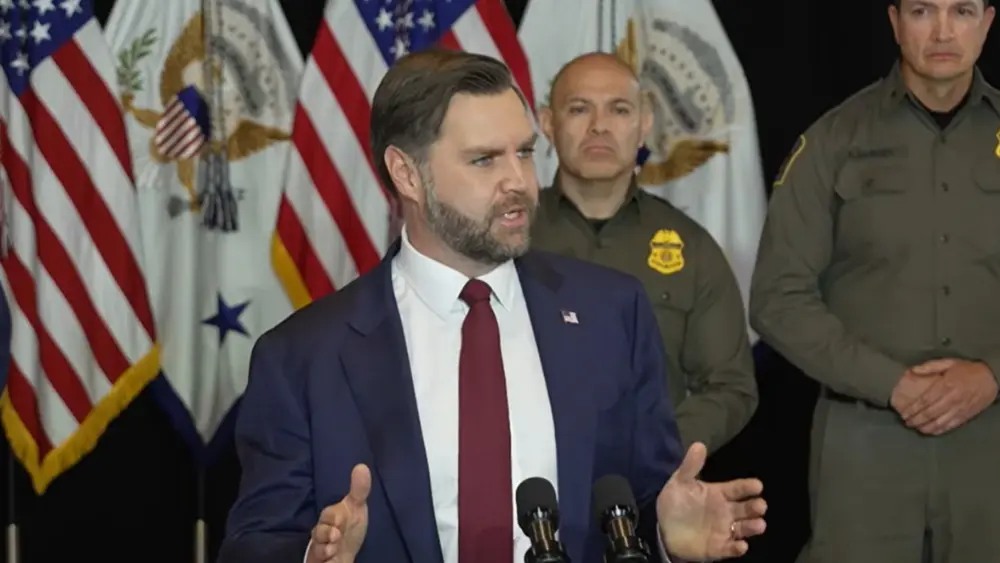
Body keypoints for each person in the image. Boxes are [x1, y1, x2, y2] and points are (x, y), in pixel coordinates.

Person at [218, 49, 766, 563]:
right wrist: (315, 556)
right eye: (484, 160)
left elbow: (637, 502)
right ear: (407, 174)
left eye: (525, 153)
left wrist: (667, 538)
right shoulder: (302, 356)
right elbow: (255, 543)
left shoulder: (611, 313)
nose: (519, 182)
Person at [749, 0, 998, 561]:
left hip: (992, 439)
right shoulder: (834, 140)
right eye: (921, 11)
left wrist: (992, 374)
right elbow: (776, 298)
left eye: (961, 11)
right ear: (893, 22)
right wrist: (893, 384)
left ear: (987, 23)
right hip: (866, 444)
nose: (941, 30)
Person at [531, 52, 758, 456]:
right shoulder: (504, 239)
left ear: (644, 124)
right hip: (522, 484)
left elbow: (730, 387)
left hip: (648, 492)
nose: (599, 126)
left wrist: (658, 448)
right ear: (548, 124)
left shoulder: (692, 249)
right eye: (579, 108)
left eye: (619, 110)